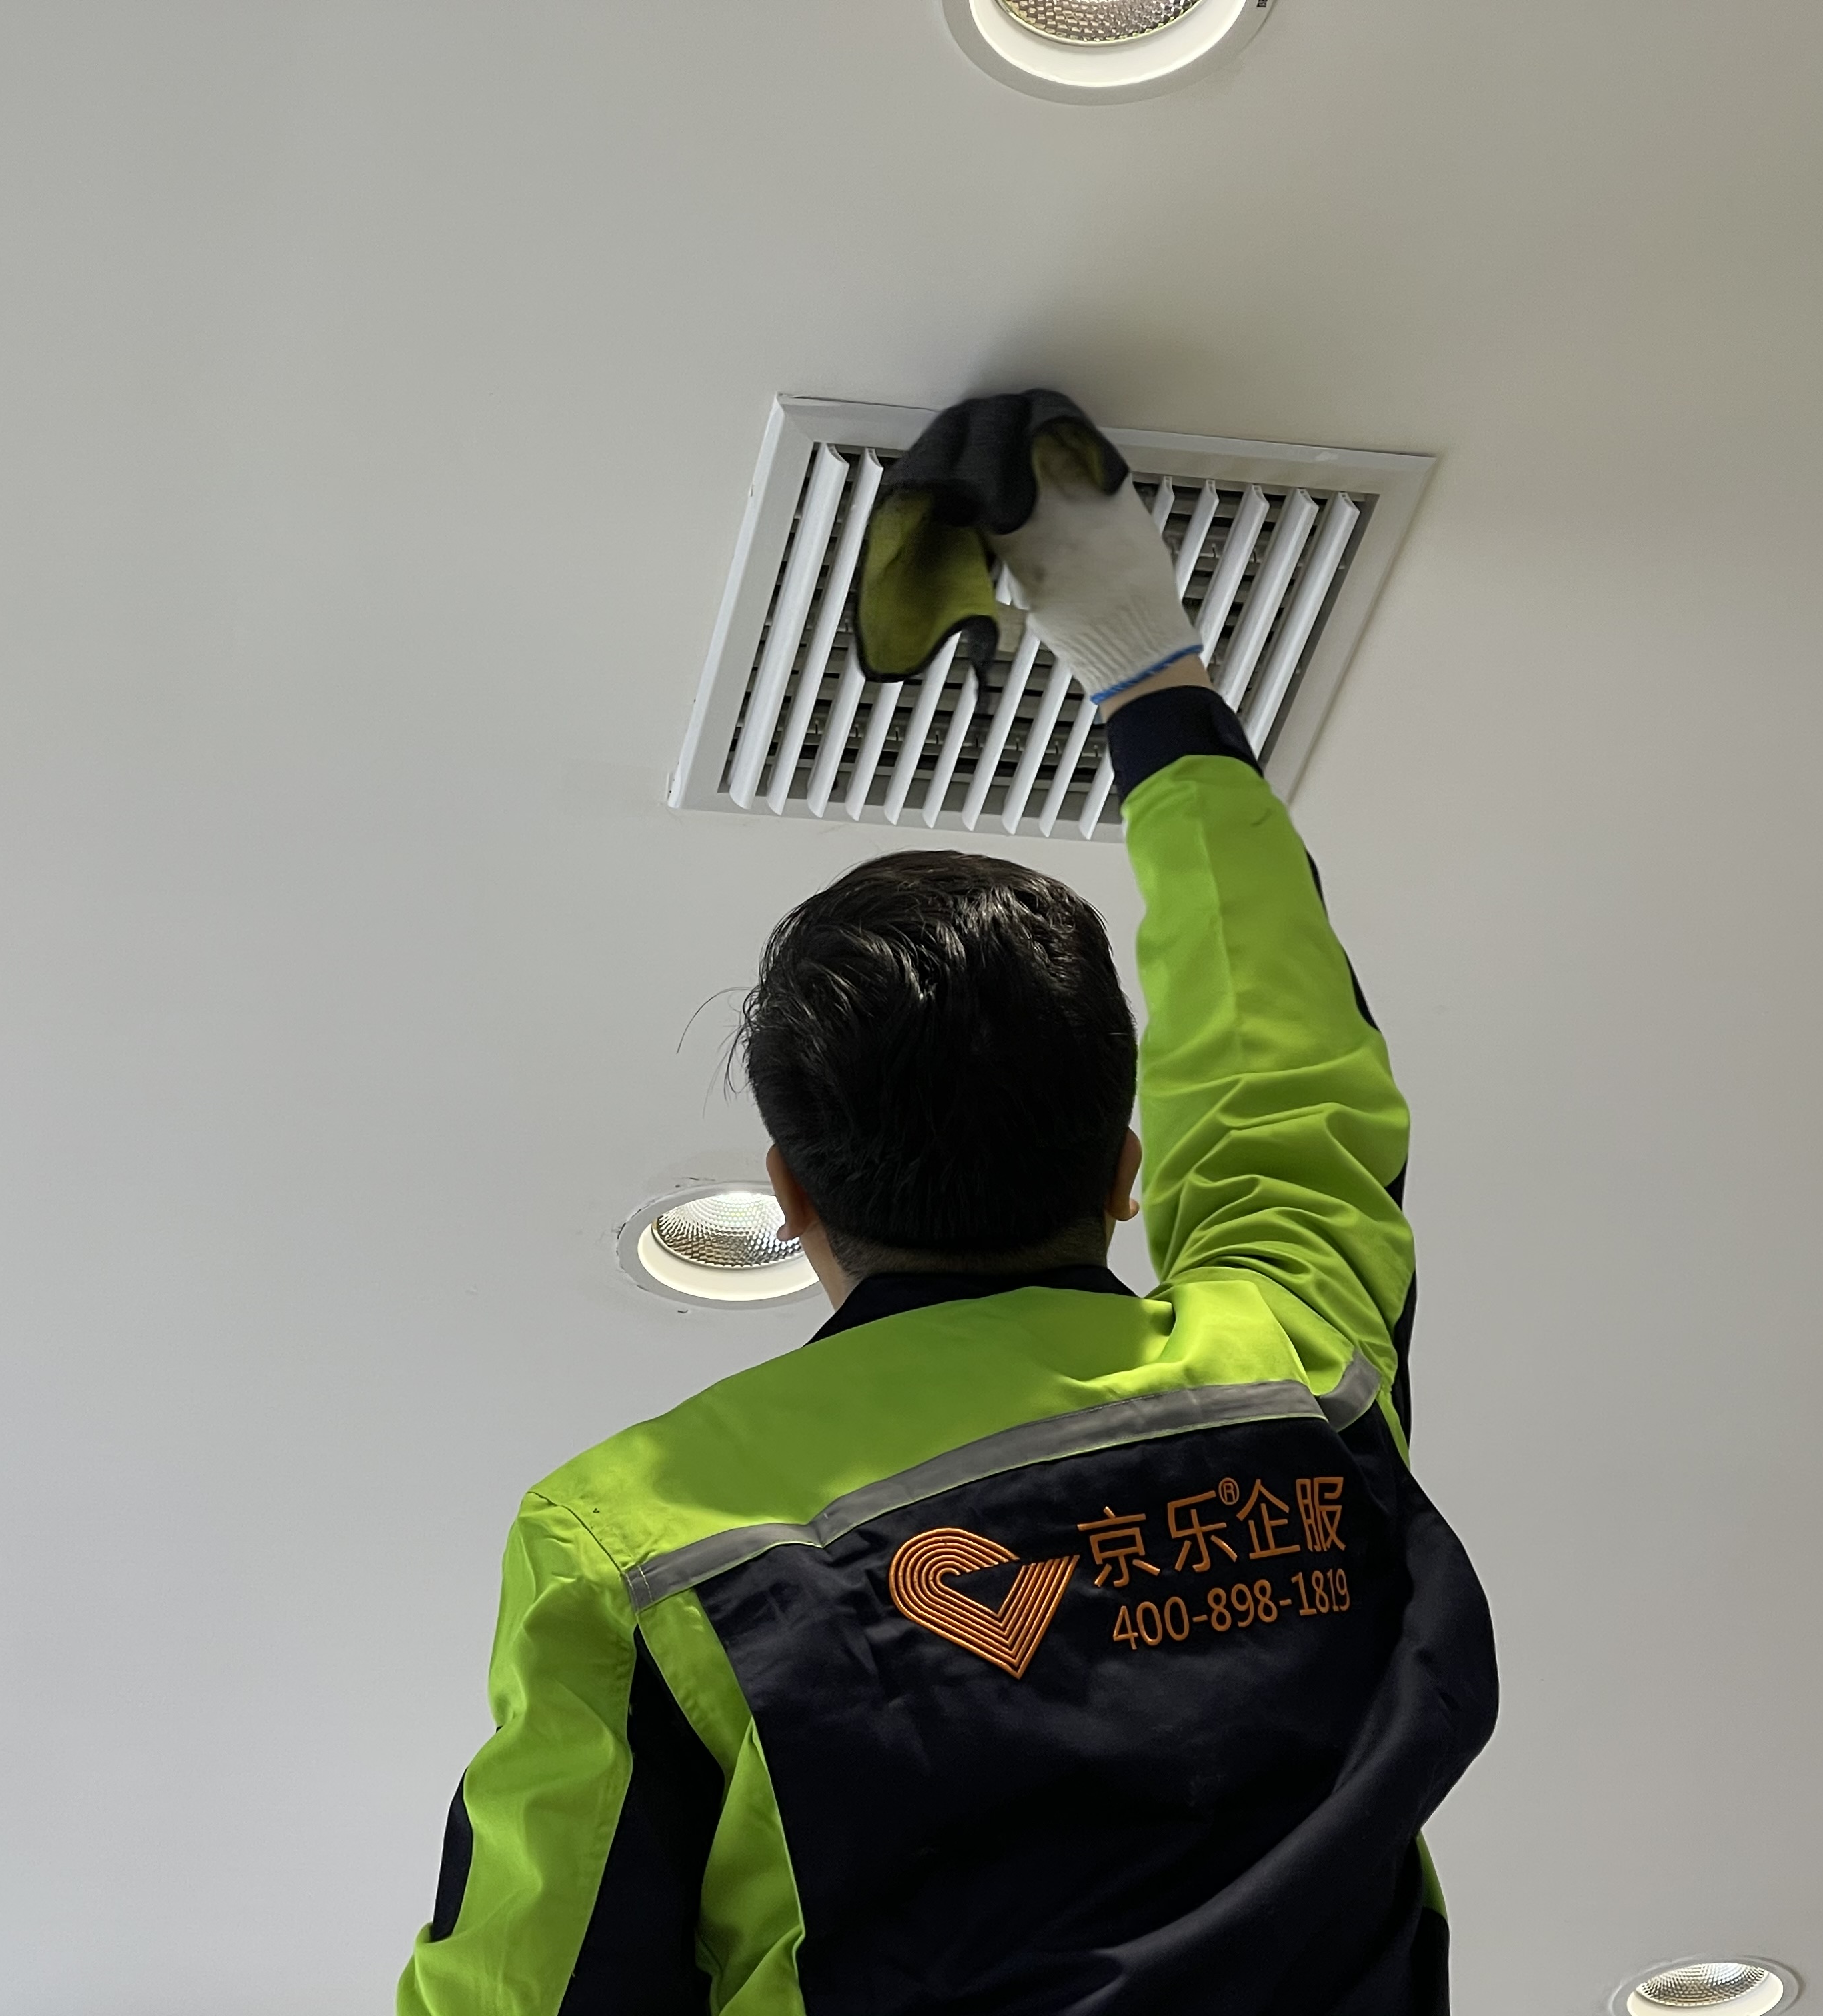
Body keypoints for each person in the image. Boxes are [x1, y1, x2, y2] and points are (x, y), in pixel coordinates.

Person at [398, 421, 1498, 2016]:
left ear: (794, 1202)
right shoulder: (1294, 1372)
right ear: (1126, 1173)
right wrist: (1145, 664)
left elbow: (533, 1992)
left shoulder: (639, 1548)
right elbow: (1283, 1075)